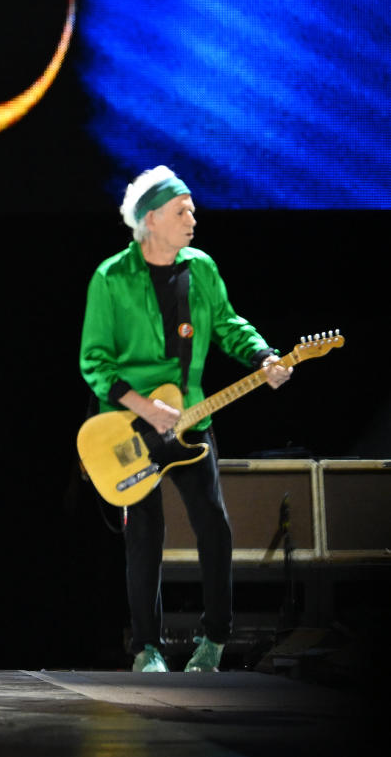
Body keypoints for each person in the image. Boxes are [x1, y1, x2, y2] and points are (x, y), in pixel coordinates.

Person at [79, 165, 292, 673]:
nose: (193, 217)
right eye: (182, 210)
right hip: (131, 426)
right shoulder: (111, 277)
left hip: (191, 418)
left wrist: (264, 357)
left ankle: (214, 639)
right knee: (144, 535)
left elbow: (228, 325)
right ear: (151, 219)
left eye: (192, 208)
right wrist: (146, 407)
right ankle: (146, 648)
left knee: (214, 526)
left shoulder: (202, 269)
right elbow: (94, 361)